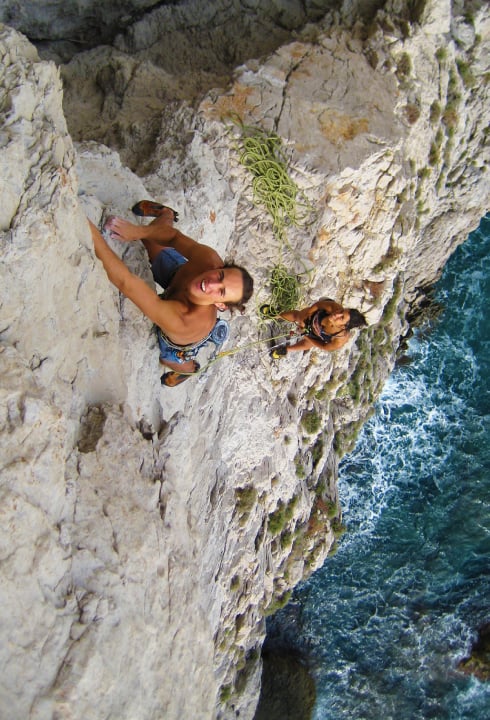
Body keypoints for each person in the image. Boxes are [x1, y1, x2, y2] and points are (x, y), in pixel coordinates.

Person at [89, 201, 254, 386]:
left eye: (221, 291)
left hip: (178, 340)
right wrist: (137, 232)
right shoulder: (209, 261)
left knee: (168, 359)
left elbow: (126, 282)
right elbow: (174, 237)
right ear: (220, 267)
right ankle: (166, 215)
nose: (212, 283)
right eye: (220, 275)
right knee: (151, 237)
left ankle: (189, 368)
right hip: (179, 278)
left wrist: (88, 229)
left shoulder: (184, 320)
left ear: (220, 305)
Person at [263, 298, 367, 358]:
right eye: (341, 312)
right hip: (316, 316)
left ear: (343, 326)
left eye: (341, 317)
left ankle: (285, 350)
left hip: (318, 335)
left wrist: (305, 335)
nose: (337, 314)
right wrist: (306, 318)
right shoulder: (335, 308)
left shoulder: (339, 341)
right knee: (298, 316)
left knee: (307, 344)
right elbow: (318, 305)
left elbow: (324, 346)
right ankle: (274, 315)